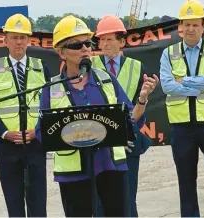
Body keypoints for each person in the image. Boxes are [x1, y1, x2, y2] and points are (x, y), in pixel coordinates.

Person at [35, 15, 159, 217]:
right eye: (77, 44)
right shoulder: (51, 89)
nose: (85, 48)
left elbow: (130, 119)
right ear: (61, 52)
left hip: (111, 168)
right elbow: (42, 133)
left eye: (87, 43)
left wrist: (143, 99)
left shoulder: (106, 80)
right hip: (73, 174)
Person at [0, 13, 49, 217]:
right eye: (14, 37)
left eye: (22, 37)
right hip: (7, 148)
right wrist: (4, 133)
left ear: (28, 40)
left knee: (38, 203)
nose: (18, 42)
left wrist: (36, 131)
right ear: (6, 40)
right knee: (14, 203)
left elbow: (48, 107)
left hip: (35, 144)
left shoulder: (42, 68)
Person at [91, 15, 153, 217]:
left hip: (128, 142)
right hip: (99, 143)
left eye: (110, 39)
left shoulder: (137, 68)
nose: (105, 44)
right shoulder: (88, 66)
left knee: (127, 201)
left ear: (121, 41)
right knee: (100, 202)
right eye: (101, 39)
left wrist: (143, 98)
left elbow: (137, 114)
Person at [160, 1, 204, 217]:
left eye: (195, 24)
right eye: (186, 24)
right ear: (180, 26)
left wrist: (186, 82)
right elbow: (167, 85)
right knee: (186, 182)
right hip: (181, 129)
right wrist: (201, 85)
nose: (190, 29)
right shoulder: (168, 53)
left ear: (203, 26)